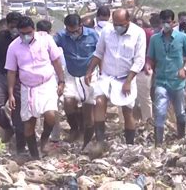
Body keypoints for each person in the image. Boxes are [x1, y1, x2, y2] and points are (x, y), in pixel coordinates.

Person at [84, 9, 146, 152]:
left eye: (121, 24)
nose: (118, 27)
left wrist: (128, 81)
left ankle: (129, 144)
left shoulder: (138, 33)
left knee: (127, 111)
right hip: (107, 76)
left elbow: (139, 61)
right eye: (115, 24)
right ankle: (100, 141)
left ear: (128, 21)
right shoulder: (107, 31)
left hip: (126, 77)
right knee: (99, 102)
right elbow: (98, 53)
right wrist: (89, 71)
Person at [5, 16, 65, 159]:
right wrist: (11, 93)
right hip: (28, 88)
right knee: (29, 124)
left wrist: (61, 81)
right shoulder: (13, 47)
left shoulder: (46, 40)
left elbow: (56, 61)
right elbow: (11, 71)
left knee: (51, 115)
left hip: (47, 83)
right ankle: (34, 156)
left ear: (34, 30)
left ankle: (44, 139)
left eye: (29, 33)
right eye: (22, 34)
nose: (26, 36)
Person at [148, 9, 186, 146]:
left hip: (177, 81)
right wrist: (149, 67)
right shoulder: (154, 39)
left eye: (168, 22)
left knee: (179, 112)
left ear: (173, 22)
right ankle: (158, 144)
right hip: (161, 80)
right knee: (160, 111)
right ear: (160, 23)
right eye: (163, 22)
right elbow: (150, 57)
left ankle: (181, 138)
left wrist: (184, 68)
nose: (166, 25)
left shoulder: (182, 37)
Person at [54, 14, 99, 148]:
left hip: (89, 74)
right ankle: (74, 129)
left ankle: (87, 139)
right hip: (71, 74)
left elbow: (101, 53)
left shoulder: (93, 35)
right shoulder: (62, 36)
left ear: (81, 26)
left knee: (88, 108)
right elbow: (49, 46)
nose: (73, 34)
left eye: (76, 31)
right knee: (68, 103)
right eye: (70, 31)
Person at [0, 12, 25, 153]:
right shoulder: (1, 37)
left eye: (16, 27)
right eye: (11, 27)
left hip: (20, 79)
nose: (14, 30)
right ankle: (7, 129)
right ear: (7, 26)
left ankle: (20, 149)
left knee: (18, 116)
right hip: (2, 76)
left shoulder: (25, 39)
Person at [36, 19, 63, 143]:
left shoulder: (32, 41)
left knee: (34, 111)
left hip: (34, 82)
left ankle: (37, 135)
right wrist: (61, 82)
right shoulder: (51, 40)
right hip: (50, 81)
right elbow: (58, 63)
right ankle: (55, 136)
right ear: (50, 30)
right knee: (52, 110)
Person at [132, 17, 153, 125]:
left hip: (143, 71)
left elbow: (152, 51)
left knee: (145, 97)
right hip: (128, 71)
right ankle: (128, 122)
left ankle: (148, 121)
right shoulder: (126, 36)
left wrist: (147, 63)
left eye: (140, 25)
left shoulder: (148, 34)